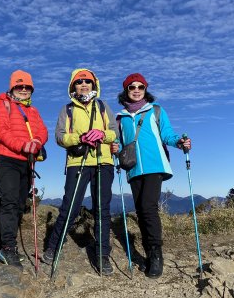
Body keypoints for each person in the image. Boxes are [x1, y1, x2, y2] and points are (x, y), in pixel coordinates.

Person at [113, 72, 191, 278]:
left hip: (155, 166)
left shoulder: (155, 110)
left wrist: (180, 143)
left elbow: (167, 134)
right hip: (132, 168)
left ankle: (156, 255)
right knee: (140, 210)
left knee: (148, 207)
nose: (137, 90)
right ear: (126, 91)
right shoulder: (120, 117)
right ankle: (149, 252)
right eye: (132, 87)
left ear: (145, 90)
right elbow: (121, 143)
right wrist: (115, 149)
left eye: (141, 86)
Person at [42, 68, 118, 275]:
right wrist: (80, 138)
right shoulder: (67, 109)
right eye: (79, 82)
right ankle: (53, 246)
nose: (84, 85)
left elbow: (115, 132)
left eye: (87, 82)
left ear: (94, 85)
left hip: (103, 161)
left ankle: (102, 254)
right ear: (73, 86)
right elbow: (59, 136)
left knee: (102, 209)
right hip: (77, 161)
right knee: (70, 207)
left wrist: (101, 134)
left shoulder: (103, 106)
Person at [0, 70, 48, 269]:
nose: (23, 89)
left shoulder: (33, 111)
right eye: (19, 86)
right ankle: (6, 248)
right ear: (12, 87)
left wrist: (37, 142)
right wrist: (23, 146)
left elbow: (42, 131)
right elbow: (1, 131)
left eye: (27, 87)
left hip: (27, 161)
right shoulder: (2, 104)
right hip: (7, 158)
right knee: (9, 201)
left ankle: (10, 245)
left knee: (18, 204)